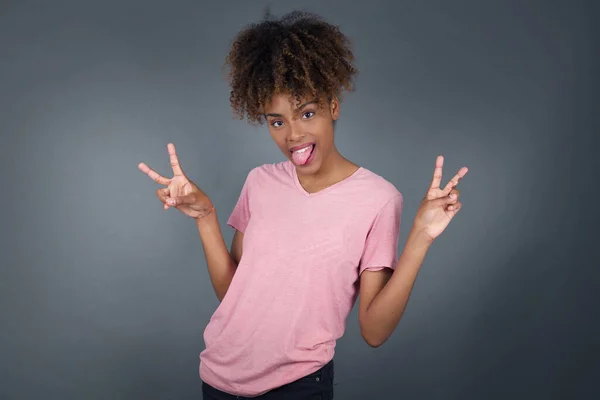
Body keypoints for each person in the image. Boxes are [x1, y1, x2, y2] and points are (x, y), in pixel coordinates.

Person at [138, 10, 468, 400]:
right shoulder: (260, 182)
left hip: (298, 387)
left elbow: (374, 331)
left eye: (306, 113)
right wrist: (205, 215)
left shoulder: (379, 200)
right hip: (219, 378)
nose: (293, 134)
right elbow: (235, 295)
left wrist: (421, 237)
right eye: (276, 121)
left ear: (333, 106)